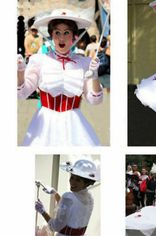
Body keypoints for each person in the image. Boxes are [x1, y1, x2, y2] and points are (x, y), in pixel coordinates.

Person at [17, 9, 103, 146]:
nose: (61, 38)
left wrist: (95, 77)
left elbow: (94, 100)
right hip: (44, 125)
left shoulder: (84, 63)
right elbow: (21, 94)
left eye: (66, 32)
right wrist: (20, 72)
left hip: (74, 125)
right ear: (51, 35)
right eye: (57, 32)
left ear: (74, 36)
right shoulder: (39, 60)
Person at [35, 159, 99, 236]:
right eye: (72, 177)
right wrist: (55, 194)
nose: (72, 182)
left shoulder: (68, 197)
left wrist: (42, 211)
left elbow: (55, 226)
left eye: (78, 180)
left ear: (86, 183)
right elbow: (69, 208)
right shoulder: (90, 197)